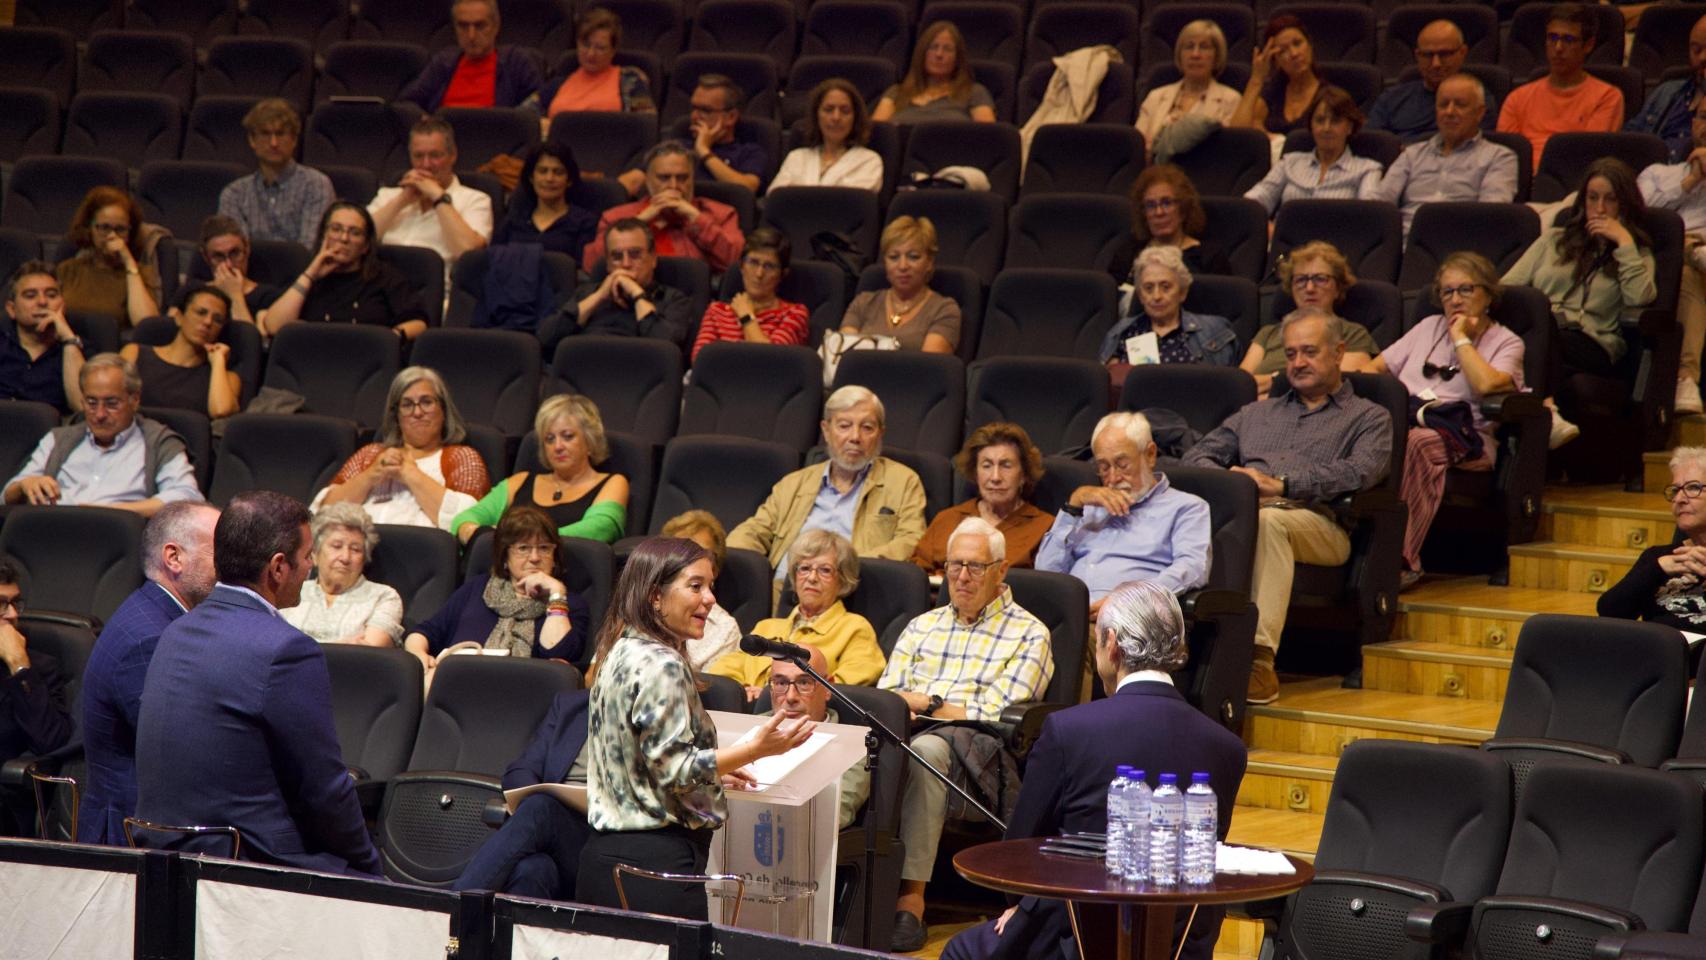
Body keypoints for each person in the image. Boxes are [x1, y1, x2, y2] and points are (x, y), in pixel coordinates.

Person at [941, 580, 1247, 960]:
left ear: (1112, 644)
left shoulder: (1067, 730)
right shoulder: (1228, 747)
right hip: (1180, 941)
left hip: (1076, 936)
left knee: (961, 950)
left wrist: (1018, 905)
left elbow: (1017, 856)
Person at [133, 491, 380, 875]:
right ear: (278, 568)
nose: (311, 567)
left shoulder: (176, 630)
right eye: (307, 556)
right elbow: (325, 789)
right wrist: (369, 868)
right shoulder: (287, 649)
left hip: (161, 851)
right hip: (245, 863)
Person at [575, 537, 816, 920]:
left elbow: (647, 761)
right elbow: (676, 769)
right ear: (655, 595)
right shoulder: (663, 664)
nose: (709, 600)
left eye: (711, 587)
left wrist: (716, 770)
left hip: (604, 862)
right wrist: (756, 750)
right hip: (655, 870)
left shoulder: (618, 651)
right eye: (695, 586)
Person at [1183, 308, 1393, 705]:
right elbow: (1197, 456)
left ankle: (1259, 664)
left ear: (1338, 352)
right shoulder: (1257, 413)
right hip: (1247, 513)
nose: (1298, 362)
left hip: (1321, 523)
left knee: (1268, 523)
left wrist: (1283, 485)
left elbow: (1361, 472)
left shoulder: (1369, 417)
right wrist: (1236, 481)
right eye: (1292, 353)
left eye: (1310, 352)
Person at [882, 517, 1053, 952]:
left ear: (1001, 570)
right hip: (909, 730)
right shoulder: (923, 626)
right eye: (954, 564)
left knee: (924, 750)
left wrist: (929, 704)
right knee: (863, 744)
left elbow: (997, 714)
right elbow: (888, 696)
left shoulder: (1029, 633)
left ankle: (911, 898)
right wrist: (918, 705)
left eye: (975, 567)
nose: (961, 576)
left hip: (982, 752)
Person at [1367, 254, 1524, 586]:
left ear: (1488, 294)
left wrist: (1461, 339)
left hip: (1468, 439)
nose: (1454, 299)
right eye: (1447, 292)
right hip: (1406, 426)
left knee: (1416, 444)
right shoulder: (1427, 327)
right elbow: (1374, 369)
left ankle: (1402, 559)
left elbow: (1486, 384)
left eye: (1465, 290)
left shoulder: (1507, 341)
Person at [78, 502, 220, 845]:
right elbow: (177, 751)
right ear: (174, 558)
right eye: (220, 551)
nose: (231, 565)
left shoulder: (153, 614)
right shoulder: (149, 638)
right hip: (131, 837)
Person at [1503, 158, 1656, 449]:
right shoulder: (1553, 241)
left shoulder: (1637, 252)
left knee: (1539, 331)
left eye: (1610, 200)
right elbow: (1508, 288)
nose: (1599, 209)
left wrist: (1623, 243)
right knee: (1536, 325)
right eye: (1593, 198)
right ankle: (1544, 413)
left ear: (1625, 205)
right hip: (1548, 338)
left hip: (1594, 344)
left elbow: (1641, 299)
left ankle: (1542, 410)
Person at [729, 385, 928, 591]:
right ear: (826, 430)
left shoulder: (903, 481)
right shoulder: (794, 483)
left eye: (867, 427)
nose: (855, 437)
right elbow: (754, 531)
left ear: (880, 433)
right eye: (844, 426)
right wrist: (724, 558)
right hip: (783, 592)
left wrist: (844, 567)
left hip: (853, 591)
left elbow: (912, 541)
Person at [1036, 411, 1213, 612]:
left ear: (1150, 454)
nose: (1113, 478)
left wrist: (1129, 600)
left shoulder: (1187, 508)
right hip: (1070, 616)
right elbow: (1045, 572)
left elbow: (1193, 569)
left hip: (1131, 621)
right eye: (1103, 467)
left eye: (1122, 465)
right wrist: (1073, 507)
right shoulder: (1089, 508)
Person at [4, 353, 203, 517]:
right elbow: (6, 497)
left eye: (111, 403)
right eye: (91, 403)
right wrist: (24, 484)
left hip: (120, 543)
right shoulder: (58, 439)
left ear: (134, 400)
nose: (99, 414)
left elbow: (188, 498)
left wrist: (112, 512)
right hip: (55, 535)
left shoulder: (158, 442)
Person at [405, 505, 592, 671]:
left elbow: (560, 652)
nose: (535, 557)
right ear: (504, 556)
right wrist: (419, 655)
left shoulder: (568, 602)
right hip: (458, 685)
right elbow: (425, 632)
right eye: (523, 548)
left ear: (555, 555)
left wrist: (556, 593)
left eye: (544, 548)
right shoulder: (477, 589)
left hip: (523, 695)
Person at [707, 529, 884, 697]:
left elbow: (845, 685)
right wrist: (743, 690)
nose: (812, 578)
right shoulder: (766, 627)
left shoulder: (854, 628)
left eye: (825, 570)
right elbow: (723, 669)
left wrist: (771, 695)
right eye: (805, 568)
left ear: (843, 579)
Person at [316, 366, 490, 529]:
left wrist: (409, 473)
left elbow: (469, 523)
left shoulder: (462, 456)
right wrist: (370, 475)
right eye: (407, 405)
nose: (417, 412)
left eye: (426, 402)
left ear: (443, 409)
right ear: (396, 415)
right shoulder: (370, 455)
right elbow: (321, 515)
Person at [453, 393, 628, 544]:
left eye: (568, 436)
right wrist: (469, 530)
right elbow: (464, 519)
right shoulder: (519, 481)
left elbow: (600, 529)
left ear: (590, 440)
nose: (557, 446)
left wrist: (521, 539)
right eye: (549, 439)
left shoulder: (613, 482)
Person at [1373, 73, 1521, 234]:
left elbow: (1491, 215)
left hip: (1461, 242)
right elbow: (1381, 206)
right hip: (1407, 243)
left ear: (1480, 113)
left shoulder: (1500, 157)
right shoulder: (1412, 154)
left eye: (1460, 105)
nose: (1449, 112)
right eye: (1443, 105)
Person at [262, 202, 431, 339]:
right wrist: (311, 274)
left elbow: (419, 323)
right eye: (336, 229)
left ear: (366, 245)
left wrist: (390, 337)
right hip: (314, 362)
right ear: (323, 236)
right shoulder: (307, 276)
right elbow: (275, 326)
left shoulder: (384, 277)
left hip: (370, 363)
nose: (344, 239)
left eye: (355, 233)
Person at [1237, 241, 1379, 399]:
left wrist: (1275, 382)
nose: (1310, 288)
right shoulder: (1269, 333)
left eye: (1320, 279)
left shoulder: (1353, 333)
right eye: (1301, 280)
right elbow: (1241, 385)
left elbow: (1338, 385)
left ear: (1338, 288)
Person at [912, 422, 1052, 578]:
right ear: (975, 473)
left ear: (1024, 475)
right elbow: (916, 577)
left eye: (1006, 465)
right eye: (986, 466)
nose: (995, 477)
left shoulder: (1045, 528)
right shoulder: (946, 519)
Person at [582, 141, 744, 275]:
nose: (673, 186)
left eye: (682, 178)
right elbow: (592, 265)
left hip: (690, 302)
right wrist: (638, 223)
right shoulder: (615, 217)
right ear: (647, 181)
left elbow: (736, 263)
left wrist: (696, 218)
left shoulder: (721, 214)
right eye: (664, 178)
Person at [1497, 3, 1623, 172]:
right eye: (1553, 38)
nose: (1558, 48)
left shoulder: (1607, 97)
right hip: (1521, 182)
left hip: (1571, 183)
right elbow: (1505, 156)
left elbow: (1588, 158)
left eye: (1568, 40)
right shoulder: (1517, 98)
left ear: (1588, 45)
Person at [1638, 105, 1706, 414]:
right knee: (1682, 262)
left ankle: (1685, 376)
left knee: (1690, 266)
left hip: (1699, 254)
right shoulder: (1657, 173)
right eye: (1704, 117)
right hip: (1654, 252)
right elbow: (1636, 213)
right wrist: (1689, 182)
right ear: (1693, 124)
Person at [1600, 446, 1706, 638]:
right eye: (1675, 490)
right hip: (1657, 661)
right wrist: (1657, 569)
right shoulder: (1659, 557)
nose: (1679, 499)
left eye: (1693, 488)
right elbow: (1609, 611)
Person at [0, 561, 71, 836]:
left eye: (16, 603)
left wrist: (19, 667)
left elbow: (52, 741)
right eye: (2, 605)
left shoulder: (38, 668)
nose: (13, 614)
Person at [369, 116, 494, 270]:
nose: (426, 164)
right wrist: (402, 199)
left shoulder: (475, 200)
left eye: (435, 155)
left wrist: (439, 198)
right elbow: (360, 239)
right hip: (381, 288)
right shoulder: (387, 196)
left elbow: (468, 255)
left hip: (437, 291)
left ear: (452, 155)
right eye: (418, 156)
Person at [554, 218, 694, 352]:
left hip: (639, 373)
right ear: (608, 264)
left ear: (653, 259)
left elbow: (667, 348)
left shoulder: (673, 299)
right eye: (617, 257)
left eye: (634, 254)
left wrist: (637, 295)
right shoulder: (588, 293)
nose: (626, 264)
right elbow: (548, 339)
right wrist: (599, 296)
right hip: (584, 369)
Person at [1244, 86, 1384, 216]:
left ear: (1350, 127)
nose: (1326, 128)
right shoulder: (1289, 162)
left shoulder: (1368, 170)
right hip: (1285, 241)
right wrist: (1264, 226)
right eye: (1320, 120)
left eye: (1335, 121)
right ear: (1311, 125)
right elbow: (1255, 201)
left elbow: (1368, 218)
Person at [280, 503, 405, 647]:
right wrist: (344, 645)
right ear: (314, 553)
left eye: (356, 549)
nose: (345, 557)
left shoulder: (383, 597)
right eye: (336, 546)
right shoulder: (291, 589)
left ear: (364, 558)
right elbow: (272, 644)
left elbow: (371, 654)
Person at [617, 73, 764, 195]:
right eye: (694, 108)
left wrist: (704, 151)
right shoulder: (676, 148)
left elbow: (745, 190)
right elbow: (629, 183)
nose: (695, 116)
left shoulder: (749, 152)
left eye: (705, 110)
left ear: (731, 117)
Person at [216, 98, 335, 248]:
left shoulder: (317, 185)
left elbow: (309, 249)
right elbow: (235, 252)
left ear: (294, 140)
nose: (273, 143)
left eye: (280, 134)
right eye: (265, 134)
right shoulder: (234, 194)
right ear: (252, 140)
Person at [1100, 246, 1238, 373]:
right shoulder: (1121, 333)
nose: (1157, 296)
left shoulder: (1214, 330)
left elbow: (1229, 387)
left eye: (1165, 287)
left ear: (1182, 292)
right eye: (1148, 288)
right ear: (1141, 296)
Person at [838, 216, 961, 353]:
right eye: (894, 257)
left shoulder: (944, 310)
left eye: (913, 256)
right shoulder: (863, 303)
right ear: (885, 262)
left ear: (929, 262)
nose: (902, 266)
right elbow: (844, 358)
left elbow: (928, 369)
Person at [118, 286, 241, 420]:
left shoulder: (226, 377)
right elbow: (110, 399)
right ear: (179, 317)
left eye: (217, 320)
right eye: (201, 312)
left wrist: (218, 362)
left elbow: (220, 411)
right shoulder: (135, 353)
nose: (208, 322)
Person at [690, 227, 810, 363]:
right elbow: (700, 361)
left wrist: (746, 317)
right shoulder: (716, 311)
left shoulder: (794, 314)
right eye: (753, 262)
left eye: (769, 266)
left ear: (782, 274)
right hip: (719, 383)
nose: (759, 274)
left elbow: (771, 360)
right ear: (742, 266)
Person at [399, 0, 541, 112]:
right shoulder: (443, 63)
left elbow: (538, 106)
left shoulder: (515, 62)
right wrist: (424, 121)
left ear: (496, 26)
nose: (471, 35)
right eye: (463, 26)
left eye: (479, 26)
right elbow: (406, 103)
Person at [1366, 19, 1495, 142]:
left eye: (1444, 54)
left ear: (1462, 52)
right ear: (1417, 56)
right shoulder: (1391, 98)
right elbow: (1375, 144)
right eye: (1428, 55)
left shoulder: (1477, 100)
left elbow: (1471, 146)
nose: (1436, 64)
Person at [527, 5, 656, 125]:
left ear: (613, 50)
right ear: (577, 43)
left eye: (600, 48)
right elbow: (523, 116)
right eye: (586, 45)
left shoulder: (630, 80)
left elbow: (646, 124)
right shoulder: (558, 84)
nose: (591, 54)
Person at [56, 186, 162, 330]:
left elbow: (146, 325)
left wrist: (129, 263)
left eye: (120, 229)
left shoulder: (139, 274)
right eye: (104, 227)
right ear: (90, 228)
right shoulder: (68, 269)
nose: (112, 236)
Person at [1135, 19, 1241, 155]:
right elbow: (1137, 147)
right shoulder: (1156, 96)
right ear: (1180, 55)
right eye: (1189, 47)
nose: (1195, 54)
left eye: (1204, 47)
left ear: (1216, 56)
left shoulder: (1231, 100)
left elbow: (1229, 152)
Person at [1113, 165, 1232, 283]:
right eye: (1150, 205)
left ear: (1183, 209)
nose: (1159, 212)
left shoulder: (1209, 259)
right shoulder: (1128, 256)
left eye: (1166, 203)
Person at [658, 510, 742, 670]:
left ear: (714, 569)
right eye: (681, 551)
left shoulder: (724, 630)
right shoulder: (636, 609)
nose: (690, 561)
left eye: (700, 554)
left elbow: (712, 693)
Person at [769, 78, 884, 192]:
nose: (836, 117)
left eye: (845, 111)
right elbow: (776, 199)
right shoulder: (797, 158)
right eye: (828, 110)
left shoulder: (869, 161)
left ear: (855, 117)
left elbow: (855, 204)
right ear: (816, 115)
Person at [872, 21, 997, 124]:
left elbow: (987, 138)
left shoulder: (974, 92)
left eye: (947, 49)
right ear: (922, 53)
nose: (939, 54)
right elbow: (877, 134)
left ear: (958, 58)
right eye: (933, 47)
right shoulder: (896, 93)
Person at [0, 260, 84, 414]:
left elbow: (82, 407)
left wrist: (69, 341)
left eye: (51, 295)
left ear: (63, 306)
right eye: (30, 296)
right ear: (11, 309)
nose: (43, 302)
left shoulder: (80, 350)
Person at [491, 142, 598, 262]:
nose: (549, 178)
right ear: (531, 177)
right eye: (542, 171)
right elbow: (494, 261)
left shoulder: (584, 223)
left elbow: (582, 270)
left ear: (569, 180)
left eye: (558, 172)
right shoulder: (514, 220)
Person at [1625, 13, 1706, 163]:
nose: (1702, 58)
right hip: (1652, 177)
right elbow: (1627, 143)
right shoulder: (1667, 92)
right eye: (1696, 50)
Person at [1230, 14, 1323, 135]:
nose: (1294, 54)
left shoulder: (1328, 92)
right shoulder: (1273, 91)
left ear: (1310, 46)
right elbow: (1237, 133)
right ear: (1276, 60)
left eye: (1297, 43)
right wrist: (1256, 79)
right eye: (1283, 51)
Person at [196, 216, 280, 328]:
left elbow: (251, 343)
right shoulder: (193, 292)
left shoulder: (268, 297)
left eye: (235, 253)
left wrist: (234, 295)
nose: (229, 264)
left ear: (247, 249)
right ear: (206, 258)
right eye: (219, 257)